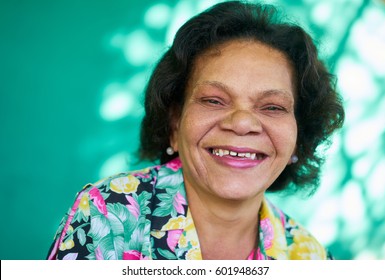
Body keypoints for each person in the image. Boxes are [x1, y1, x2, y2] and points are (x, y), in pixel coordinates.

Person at [47, 0, 344, 260]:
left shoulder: (309, 258)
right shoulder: (108, 214)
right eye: (214, 100)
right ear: (175, 123)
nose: (242, 123)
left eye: (272, 107)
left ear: (297, 139)